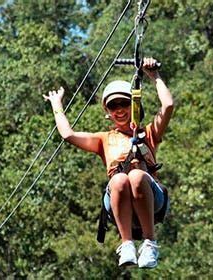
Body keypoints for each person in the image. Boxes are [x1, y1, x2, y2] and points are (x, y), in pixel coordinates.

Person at [44, 57, 174, 268]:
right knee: (120, 179)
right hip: (118, 198)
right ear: (108, 113)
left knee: (136, 175)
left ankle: (150, 243)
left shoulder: (148, 134)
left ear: (133, 105)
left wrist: (154, 76)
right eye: (114, 106)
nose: (120, 109)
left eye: (124, 103)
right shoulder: (104, 139)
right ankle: (127, 244)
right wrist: (57, 104)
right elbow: (68, 134)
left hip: (151, 199)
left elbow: (168, 106)